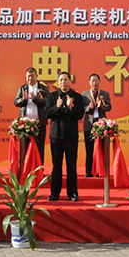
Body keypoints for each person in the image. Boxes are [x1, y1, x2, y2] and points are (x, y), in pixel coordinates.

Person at [45, 72, 85, 201]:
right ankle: (54, 193)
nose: (63, 82)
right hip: (56, 136)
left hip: (71, 136)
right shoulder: (52, 96)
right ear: (58, 82)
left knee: (71, 165)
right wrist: (56, 107)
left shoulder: (77, 97)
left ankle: (72, 193)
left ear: (70, 81)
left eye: (65, 80)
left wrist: (70, 107)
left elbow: (80, 115)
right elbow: (46, 114)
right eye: (61, 80)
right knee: (56, 165)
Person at [13, 67, 51, 163]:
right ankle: (24, 168)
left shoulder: (43, 88)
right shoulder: (22, 88)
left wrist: (35, 99)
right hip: (25, 124)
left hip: (39, 123)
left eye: (32, 76)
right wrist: (24, 99)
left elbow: (48, 102)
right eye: (28, 77)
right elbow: (16, 102)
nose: (30, 79)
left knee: (39, 147)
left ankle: (39, 168)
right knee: (24, 147)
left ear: (36, 76)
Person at [81, 73, 112, 177]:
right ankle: (89, 171)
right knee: (89, 149)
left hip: (101, 124)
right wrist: (89, 107)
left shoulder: (104, 93)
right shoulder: (84, 94)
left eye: (96, 80)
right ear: (89, 82)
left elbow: (109, 107)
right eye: (92, 81)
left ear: (99, 82)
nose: (94, 83)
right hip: (89, 124)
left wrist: (101, 106)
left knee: (101, 148)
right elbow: (81, 109)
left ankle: (100, 171)